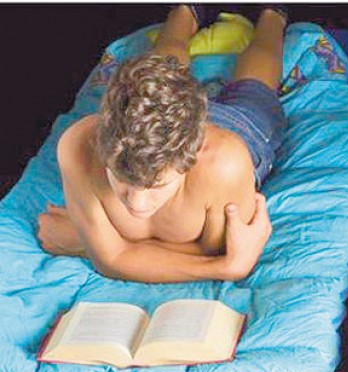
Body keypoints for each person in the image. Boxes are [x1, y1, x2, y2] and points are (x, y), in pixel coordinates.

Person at [36, 5, 288, 283]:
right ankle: (186, 11)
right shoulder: (77, 145)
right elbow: (113, 259)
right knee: (158, 76)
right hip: (153, 120)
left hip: (236, 127)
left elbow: (212, 250)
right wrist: (226, 267)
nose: (137, 203)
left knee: (255, 87)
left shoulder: (225, 163)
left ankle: (272, 16)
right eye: (122, 179)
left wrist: (86, 242)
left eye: (157, 185)